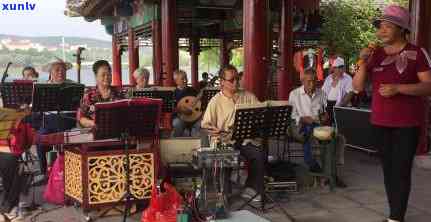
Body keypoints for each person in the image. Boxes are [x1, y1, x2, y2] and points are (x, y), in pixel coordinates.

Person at [353, 5, 431, 222]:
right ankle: (394, 214)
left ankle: (396, 218)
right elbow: (358, 87)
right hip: (380, 122)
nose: (381, 31)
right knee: (388, 171)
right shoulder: (375, 55)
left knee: (401, 171)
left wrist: (399, 88)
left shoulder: (417, 53)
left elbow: (429, 86)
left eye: (387, 26)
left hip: (407, 124)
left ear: (401, 29)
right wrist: (361, 61)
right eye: (380, 27)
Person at [201, 65, 265, 201]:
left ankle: (251, 188)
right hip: (225, 141)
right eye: (232, 80)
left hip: (244, 140)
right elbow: (205, 125)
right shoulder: (215, 101)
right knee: (226, 156)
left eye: (237, 78)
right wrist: (215, 130)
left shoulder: (248, 96)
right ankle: (223, 188)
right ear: (222, 81)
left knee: (258, 154)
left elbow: (261, 115)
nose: (236, 82)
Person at [35, 59, 76, 180]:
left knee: (68, 137)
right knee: (40, 139)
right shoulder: (43, 86)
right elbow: (36, 108)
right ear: (51, 72)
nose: (60, 72)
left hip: (67, 120)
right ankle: (44, 172)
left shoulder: (73, 85)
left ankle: (69, 170)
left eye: (63, 70)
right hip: (48, 121)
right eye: (57, 70)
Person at [288, 68, 326, 173]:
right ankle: (311, 162)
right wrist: (302, 118)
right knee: (308, 130)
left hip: (317, 124)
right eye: (309, 81)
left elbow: (323, 111)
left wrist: (324, 116)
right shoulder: (294, 94)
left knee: (332, 137)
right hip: (300, 125)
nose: (312, 84)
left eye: (314, 81)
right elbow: (291, 115)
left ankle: (328, 168)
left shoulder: (321, 93)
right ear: (303, 81)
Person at [79, 60, 124, 128]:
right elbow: (81, 118)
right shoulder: (88, 95)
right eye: (103, 75)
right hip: (96, 132)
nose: (106, 77)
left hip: (118, 131)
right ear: (96, 76)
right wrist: (93, 123)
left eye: (109, 74)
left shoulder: (120, 92)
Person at [322, 57, 354, 122]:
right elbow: (323, 92)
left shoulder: (348, 78)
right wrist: (323, 107)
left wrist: (338, 108)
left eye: (341, 67)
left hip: (340, 105)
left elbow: (350, 93)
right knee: (327, 126)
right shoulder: (329, 78)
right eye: (337, 68)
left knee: (338, 125)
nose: (340, 70)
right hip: (327, 105)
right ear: (334, 68)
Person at [172, 70, 200, 137]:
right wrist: (182, 110)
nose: (185, 80)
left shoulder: (192, 90)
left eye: (186, 78)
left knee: (201, 124)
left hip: (194, 117)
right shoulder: (173, 93)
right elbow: (173, 109)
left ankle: (196, 144)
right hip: (180, 118)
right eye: (182, 79)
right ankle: (176, 143)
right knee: (177, 123)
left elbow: (199, 104)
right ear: (176, 81)